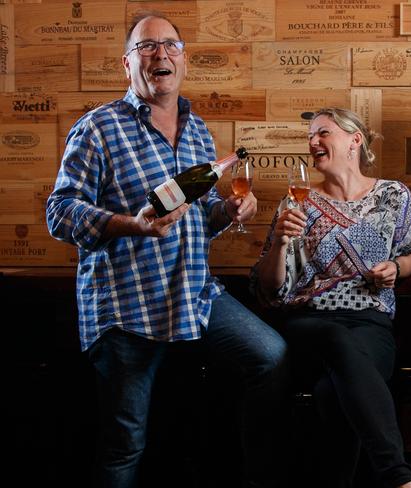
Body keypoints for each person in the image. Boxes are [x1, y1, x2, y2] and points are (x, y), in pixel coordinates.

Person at [46, 12, 288, 488]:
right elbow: (59, 213)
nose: (161, 54)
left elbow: (196, 220)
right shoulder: (97, 129)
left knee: (270, 355)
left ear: (183, 58)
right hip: (127, 306)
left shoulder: (197, 131)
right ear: (127, 64)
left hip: (193, 297)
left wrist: (230, 211)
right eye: (147, 46)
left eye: (171, 45)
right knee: (125, 445)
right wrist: (130, 225)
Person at [251, 108, 411, 488]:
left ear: (354, 139)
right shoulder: (297, 203)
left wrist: (397, 268)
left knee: (334, 395)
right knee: (335, 339)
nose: (313, 142)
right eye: (310, 136)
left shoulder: (394, 195)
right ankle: (400, 478)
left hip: (371, 323)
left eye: (322, 133)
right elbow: (270, 290)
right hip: (309, 323)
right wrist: (279, 243)